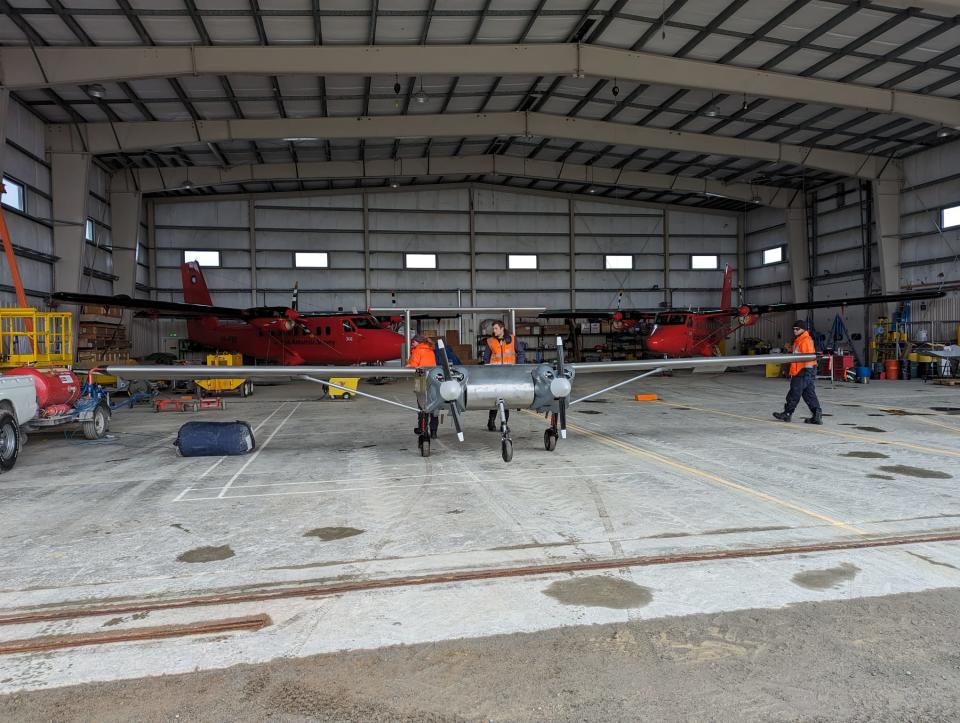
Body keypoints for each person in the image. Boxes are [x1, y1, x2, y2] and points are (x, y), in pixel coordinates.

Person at [773, 320, 822, 425]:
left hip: (803, 371)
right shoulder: (799, 340)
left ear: (803, 329)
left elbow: (808, 357)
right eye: (794, 329)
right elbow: (799, 354)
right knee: (809, 394)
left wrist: (806, 372)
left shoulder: (805, 340)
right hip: (805, 371)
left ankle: (787, 414)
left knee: (794, 393)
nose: (794, 331)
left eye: (797, 329)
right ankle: (817, 416)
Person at [482, 320, 525, 431]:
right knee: (494, 398)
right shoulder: (490, 341)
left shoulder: (512, 339)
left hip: (509, 374)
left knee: (506, 400)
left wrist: (518, 367)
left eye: (496, 328)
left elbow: (521, 353)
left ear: (502, 329)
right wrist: (488, 370)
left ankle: (504, 424)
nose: (494, 331)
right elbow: (486, 358)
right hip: (495, 374)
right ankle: (491, 422)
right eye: (493, 329)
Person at [406, 334, 440, 438]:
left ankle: (422, 428)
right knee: (433, 405)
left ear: (418, 342)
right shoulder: (430, 350)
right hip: (433, 379)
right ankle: (434, 432)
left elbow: (414, 365)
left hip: (420, 378)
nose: (412, 343)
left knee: (422, 405)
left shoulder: (417, 350)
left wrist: (408, 365)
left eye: (413, 341)